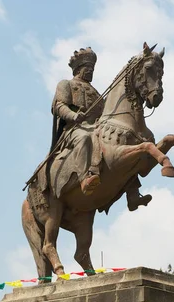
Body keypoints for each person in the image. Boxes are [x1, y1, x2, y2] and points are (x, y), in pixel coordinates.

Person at [50, 47, 152, 209]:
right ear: (78, 69)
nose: (90, 72)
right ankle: (85, 178)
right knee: (84, 137)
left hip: (95, 127)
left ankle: (132, 194)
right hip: (75, 128)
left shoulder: (96, 93)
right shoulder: (66, 84)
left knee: (122, 148)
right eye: (87, 69)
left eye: (92, 69)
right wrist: (74, 116)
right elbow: (59, 106)